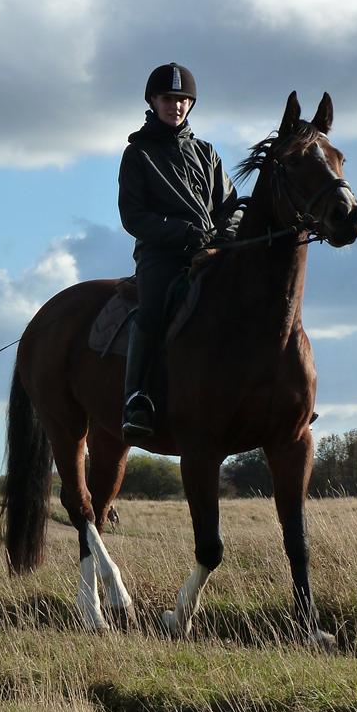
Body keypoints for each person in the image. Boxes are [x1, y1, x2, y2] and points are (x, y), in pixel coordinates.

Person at [117, 62, 242, 442]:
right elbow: (133, 216)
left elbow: (232, 207)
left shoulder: (207, 153)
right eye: (169, 99)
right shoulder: (137, 154)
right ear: (153, 102)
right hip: (161, 255)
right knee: (153, 310)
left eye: (183, 99)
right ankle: (136, 398)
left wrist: (224, 236)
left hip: (212, 251)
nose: (176, 105)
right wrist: (182, 233)